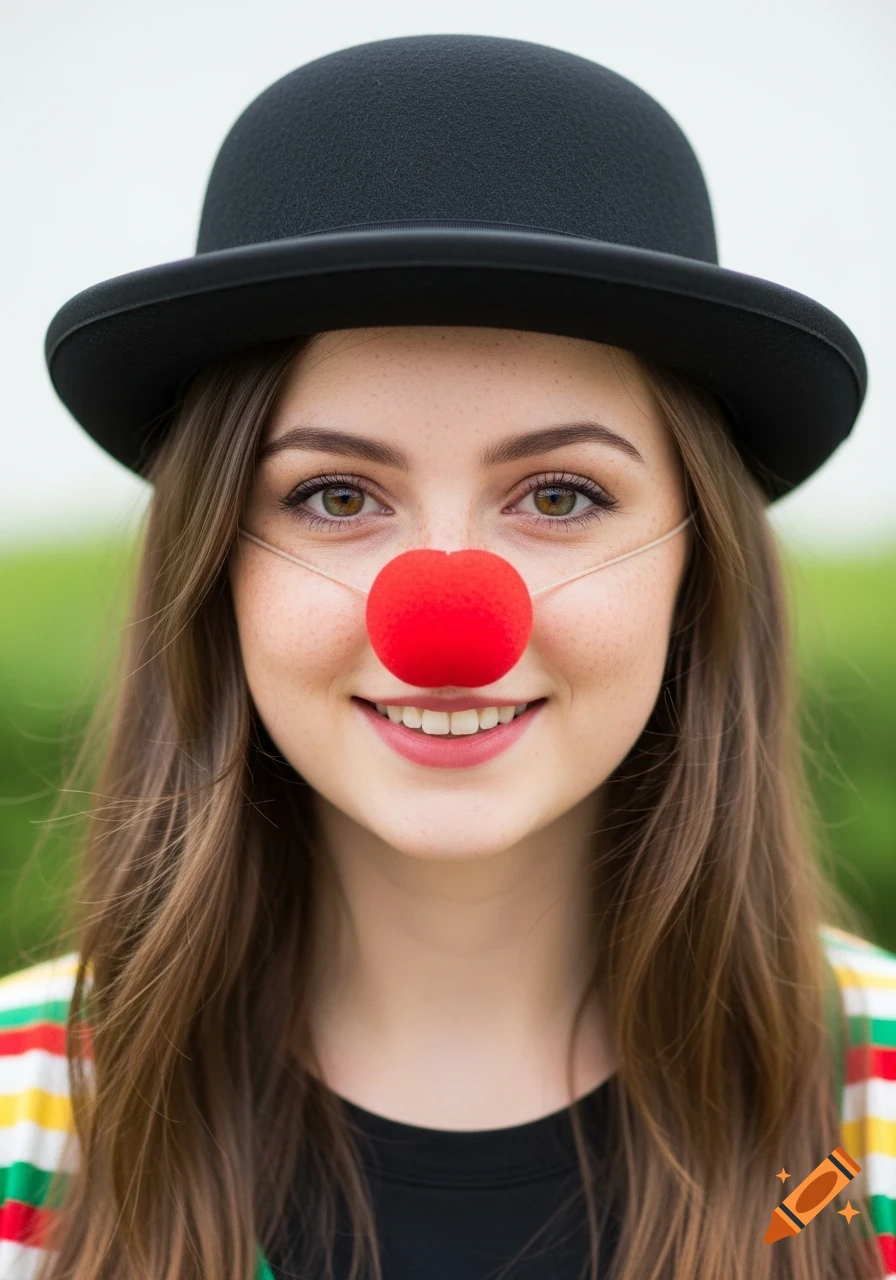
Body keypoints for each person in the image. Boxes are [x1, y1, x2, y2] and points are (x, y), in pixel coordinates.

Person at [0, 32, 893, 1280]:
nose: (449, 619)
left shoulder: (863, 1137)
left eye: (564, 495)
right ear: (215, 567)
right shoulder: (23, 1121)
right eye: (333, 497)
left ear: (696, 569)